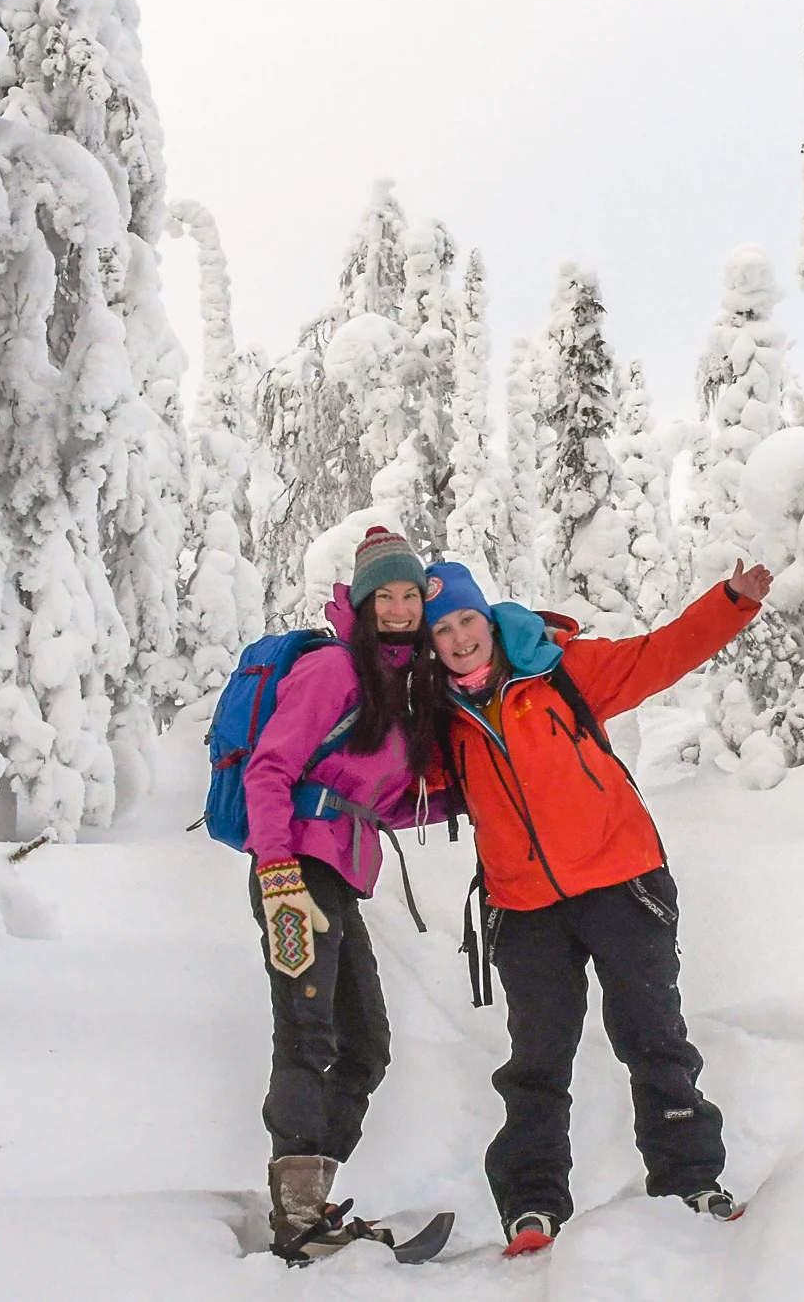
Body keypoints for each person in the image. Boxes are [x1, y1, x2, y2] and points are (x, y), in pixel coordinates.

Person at [422, 557, 773, 1256]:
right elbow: (389, 784)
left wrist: (730, 602)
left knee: (653, 1034)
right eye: (442, 630)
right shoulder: (439, 722)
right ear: (430, 646)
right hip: (523, 907)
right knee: (536, 1058)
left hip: (622, 882)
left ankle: (689, 1179)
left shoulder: (561, 672)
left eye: (467, 620)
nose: (459, 638)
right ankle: (531, 1203)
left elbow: (659, 655)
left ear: (487, 620)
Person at [242, 526, 451, 1260]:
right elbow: (268, 771)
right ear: (361, 604)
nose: (396, 609)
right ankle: (297, 1220)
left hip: (337, 876)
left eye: (407, 596)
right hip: (296, 871)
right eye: (382, 596)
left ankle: (310, 1199)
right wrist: (276, 871)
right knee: (308, 1035)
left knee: (366, 1046)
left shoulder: (399, 687)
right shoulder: (334, 670)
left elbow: (372, 803)